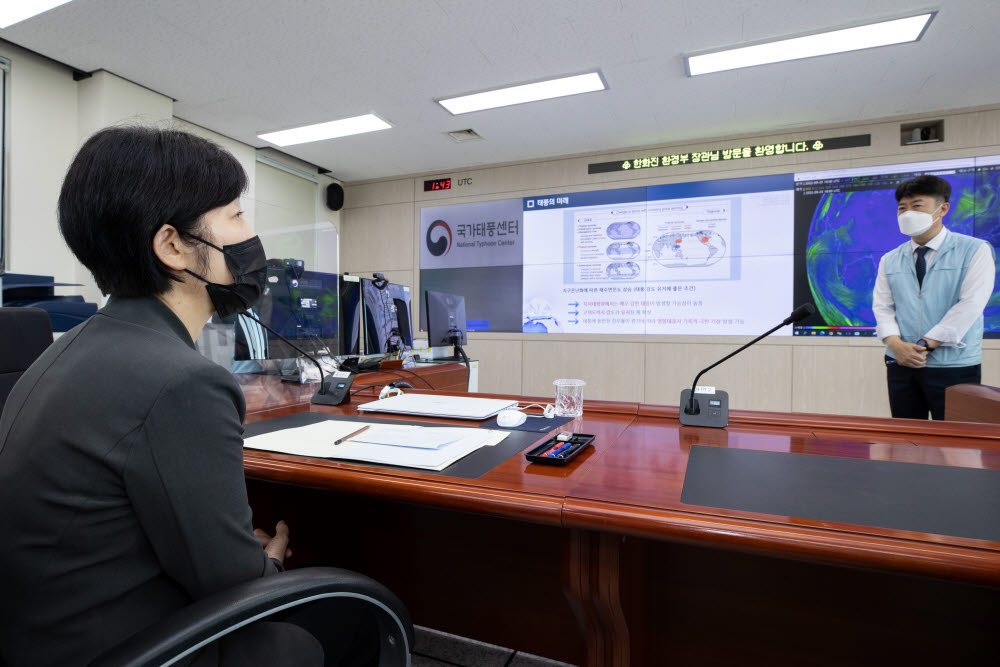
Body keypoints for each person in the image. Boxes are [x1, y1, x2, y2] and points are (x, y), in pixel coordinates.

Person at [0, 126, 332, 666]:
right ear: (173, 246)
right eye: (235, 215)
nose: (249, 234)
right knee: (337, 626)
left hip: (45, 635)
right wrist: (266, 562)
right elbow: (233, 583)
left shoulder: (70, 349)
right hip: (129, 647)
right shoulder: (182, 381)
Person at [872, 174, 996, 420]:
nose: (908, 213)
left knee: (958, 445)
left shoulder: (974, 249)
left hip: (954, 366)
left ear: (943, 209)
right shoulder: (890, 258)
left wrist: (926, 344)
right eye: (902, 208)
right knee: (906, 441)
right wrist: (895, 345)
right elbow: (882, 306)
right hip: (901, 363)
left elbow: (971, 303)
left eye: (917, 206)